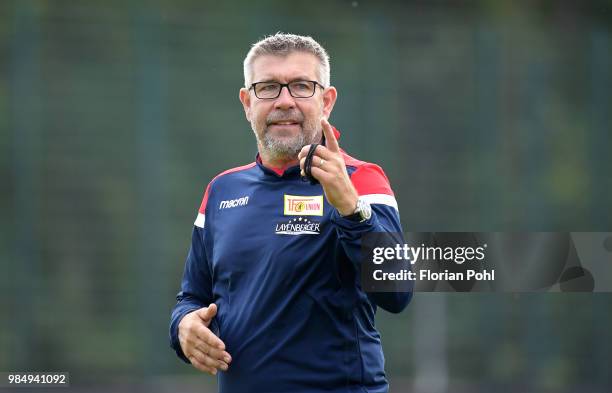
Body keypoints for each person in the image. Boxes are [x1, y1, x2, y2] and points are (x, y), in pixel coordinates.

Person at [169, 33, 412, 393]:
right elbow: (192, 297)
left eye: (301, 86)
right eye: (268, 87)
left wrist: (351, 209)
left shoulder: (362, 180)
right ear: (247, 103)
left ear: (326, 101)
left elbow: (397, 293)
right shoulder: (222, 190)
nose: (284, 101)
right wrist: (183, 327)